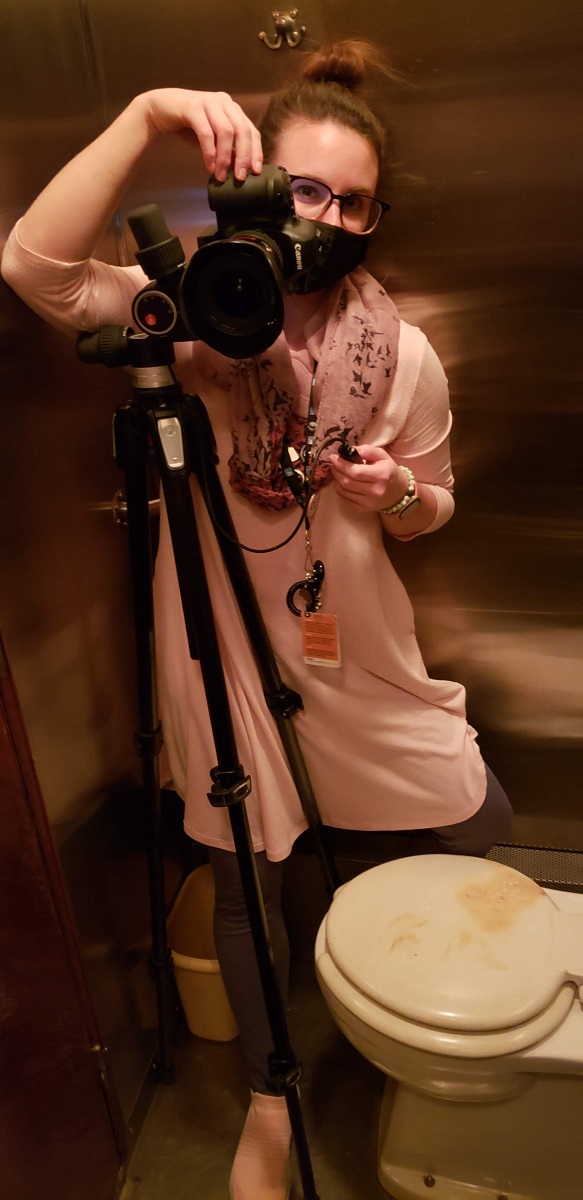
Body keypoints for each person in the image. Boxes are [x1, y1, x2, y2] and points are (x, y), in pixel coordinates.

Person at [1, 40, 512, 1200]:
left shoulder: (406, 357)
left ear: (375, 216)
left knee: (476, 814)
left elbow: (434, 508)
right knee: (244, 873)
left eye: (354, 201)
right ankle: (274, 1099)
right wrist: (145, 114)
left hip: (358, 646)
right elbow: (31, 265)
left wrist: (402, 498)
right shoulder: (190, 311)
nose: (326, 219)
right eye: (303, 192)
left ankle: (391, 1011)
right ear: (249, 187)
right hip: (225, 646)